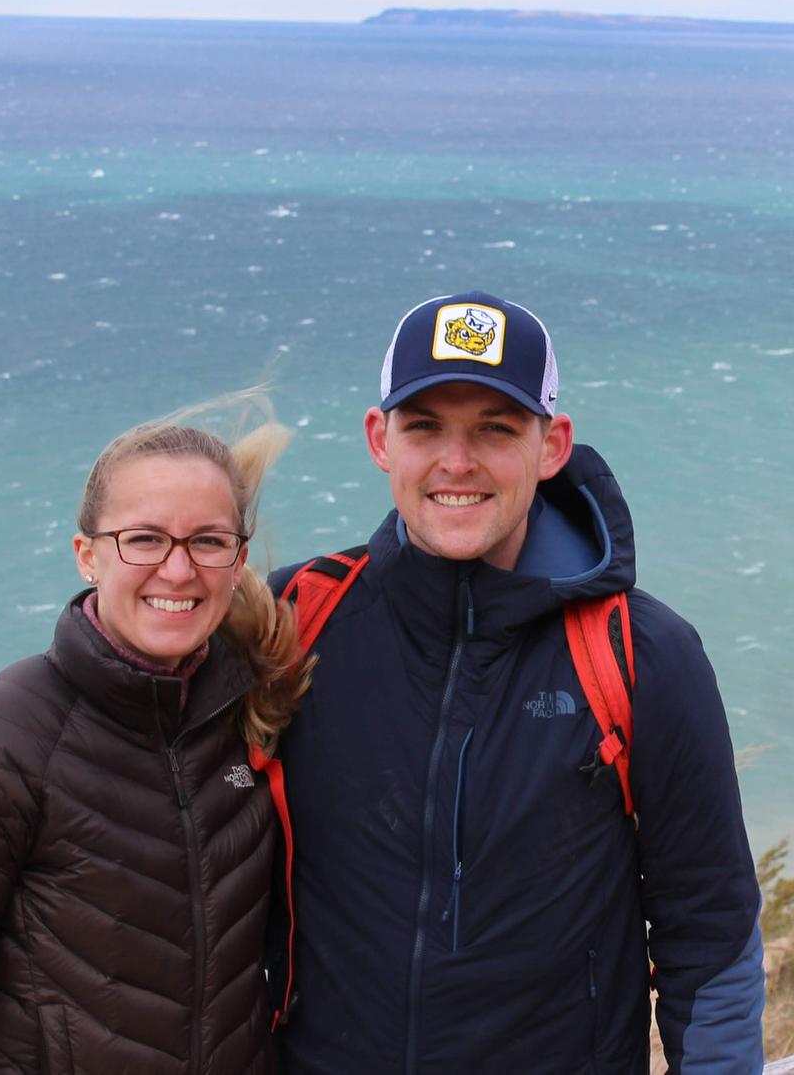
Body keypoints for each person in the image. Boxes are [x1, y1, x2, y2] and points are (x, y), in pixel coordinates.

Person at [268, 291, 765, 1074]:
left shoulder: (643, 655)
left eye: (496, 430)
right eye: (424, 426)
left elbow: (713, 938)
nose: (456, 463)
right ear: (379, 439)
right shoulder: (294, 619)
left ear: (553, 444)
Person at [0, 402, 306, 1074]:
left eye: (207, 541)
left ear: (238, 558)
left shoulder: (250, 712)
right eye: (145, 539)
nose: (178, 571)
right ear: (88, 556)